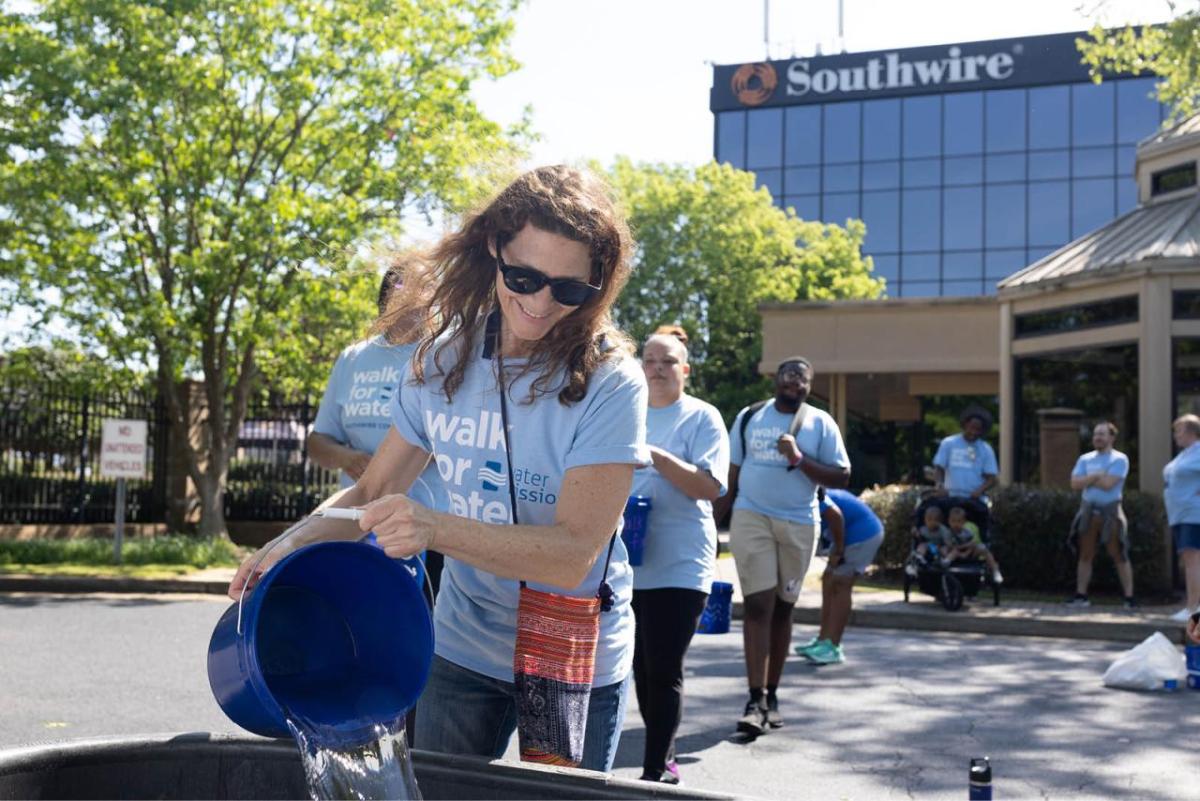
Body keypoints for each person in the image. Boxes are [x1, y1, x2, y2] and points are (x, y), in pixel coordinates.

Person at [229, 165, 649, 773]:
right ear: (493, 250)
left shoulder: (611, 382)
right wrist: (284, 546)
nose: (539, 304)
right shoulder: (441, 361)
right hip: (463, 645)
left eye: (568, 290)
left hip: (572, 648)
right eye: (523, 277)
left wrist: (433, 529)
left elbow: (571, 555)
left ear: (597, 285)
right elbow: (372, 489)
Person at [712, 356, 850, 736]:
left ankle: (772, 695)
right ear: (776, 379)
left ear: (810, 385)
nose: (794, 381)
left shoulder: (821, 423)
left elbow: (842, 476)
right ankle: (754, 698)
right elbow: (732, 476)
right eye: (789, 374)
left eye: (802, 377)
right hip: (750, 517)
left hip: (800, 524)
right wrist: (709, 524)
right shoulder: (749, 416)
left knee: (783, 610)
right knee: (758, 605)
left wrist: (800, 459)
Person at [307, 260, 447, 596]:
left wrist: (390, 466)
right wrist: (347, 457)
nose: (418, 296)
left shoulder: (444, 357)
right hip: (356, 525)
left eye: (428, 287)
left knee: (422, 631)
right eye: (403, 286)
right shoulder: (353, 358)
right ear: (386, 298)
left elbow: (454, 436)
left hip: (426, 531)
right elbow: (317, 441)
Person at [629, 333, 729, 784]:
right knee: (639, 668)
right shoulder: (625, 412)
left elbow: (709, 487)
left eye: (667, 361)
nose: (656, 368)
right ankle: (660, 752)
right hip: (627, 561)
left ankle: (657, 769)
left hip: (682, 562)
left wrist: (656, 457)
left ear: (684, 369)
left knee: (663, 667)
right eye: (648, 360)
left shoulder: (702, 417)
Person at [794, 488, 883, 665]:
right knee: (828, 580)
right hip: (849, 535)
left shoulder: (813, 496)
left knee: (841, 585)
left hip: (862, 536)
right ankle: (823, 640)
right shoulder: (806, 492)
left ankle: (833, 647)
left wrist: (839, 550)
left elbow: (836, 517)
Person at [1066, 422, 1133, 608]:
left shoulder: (1120, 459)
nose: (1097, 438)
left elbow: (1109, 484)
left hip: (1111, 511)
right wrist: (1096, 476)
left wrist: (1087, 479)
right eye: (1096, 434)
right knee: (1085, 554)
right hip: (1088, 511)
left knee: (1118, 552)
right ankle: (1081, 595)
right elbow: (1074, 484)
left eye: (1102, 434)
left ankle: (1129, 597)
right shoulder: (1085, 459)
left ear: (1112, 437)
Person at [1164, 414, 1200, 623]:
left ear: (1190, 432)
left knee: (1192, 561)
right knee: (1191, 561)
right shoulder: (1186, 454)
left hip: (1193, 514)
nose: (1176, 435)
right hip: (1180, 514)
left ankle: (1193, 609)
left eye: (1179, 431)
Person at [932, 407, 999, 519]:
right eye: (971, 428)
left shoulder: (986, 449)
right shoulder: (948, 443)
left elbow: (992, 478)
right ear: (965, 425)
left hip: (973, 499)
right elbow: (939, 468)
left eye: (978, 429)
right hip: (949, 496)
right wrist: (939, 486)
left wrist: (979, 491)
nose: (974, 432)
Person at [945, 506, 1003, 585]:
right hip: (954, 554)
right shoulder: (947, 532)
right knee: (946, 549)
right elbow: (949, 545)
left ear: (964, 522)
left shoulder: (967, 532)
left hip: (970, 553)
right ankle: (945, 563)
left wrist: (965, 553)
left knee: (984, 549)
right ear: (949, 521)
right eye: (953, 521)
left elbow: (972, 544)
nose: (956, 524)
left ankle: (995, 570)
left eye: (959, 521)